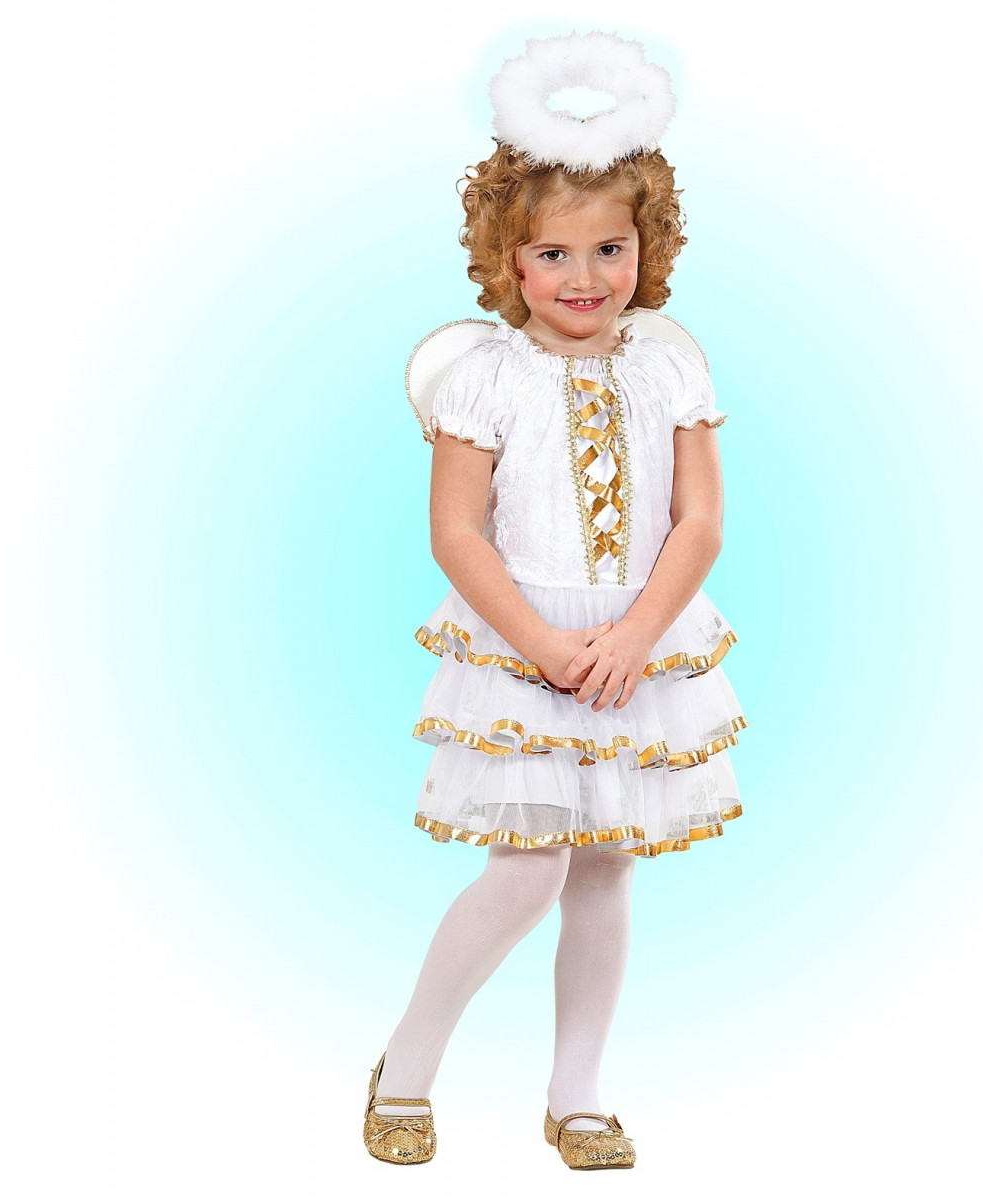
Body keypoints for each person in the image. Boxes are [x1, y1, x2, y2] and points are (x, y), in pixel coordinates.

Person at [364, 32, 747, 1170]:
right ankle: (406, 1066)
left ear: (647, 245)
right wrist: (540, 642)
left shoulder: (670, 365)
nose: (586, 277)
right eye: (554, 254)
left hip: (638, 646)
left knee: (608, 865)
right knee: (526, 868)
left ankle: (576, 1094)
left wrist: (636, 637)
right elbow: (456, 531)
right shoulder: (485, 375)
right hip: (523, 648)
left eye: (610, 248)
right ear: (510, 259)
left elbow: (699, 520)